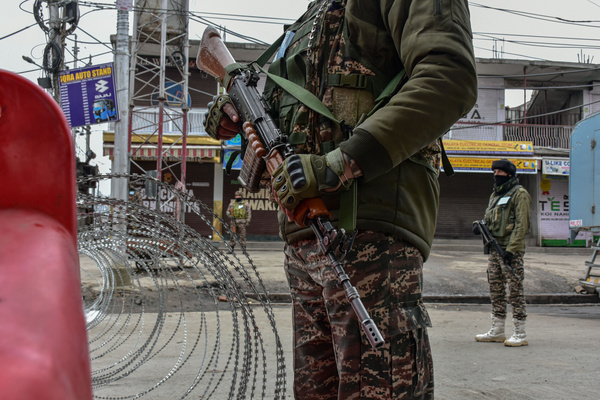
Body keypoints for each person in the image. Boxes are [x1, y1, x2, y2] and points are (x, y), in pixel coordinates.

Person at [203, 1, 477, 398]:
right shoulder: (308, 19)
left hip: (369, 232)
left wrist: (340, 164)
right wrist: (234, 109)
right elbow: (286, 113)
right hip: (303, 240)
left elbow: (448, 77)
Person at [475, 159, 531, 347]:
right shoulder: (495, 195)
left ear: (509, 174)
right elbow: (490, 219)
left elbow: (522, 226)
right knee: (496, 289)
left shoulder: (519, 194)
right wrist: (480, 227)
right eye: (494, 172)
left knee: (515, 291)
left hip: (509, 251)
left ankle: (520, 332)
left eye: (500, 172)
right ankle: (498, 330)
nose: (496, 175)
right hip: (494, 250)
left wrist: (511, 250)